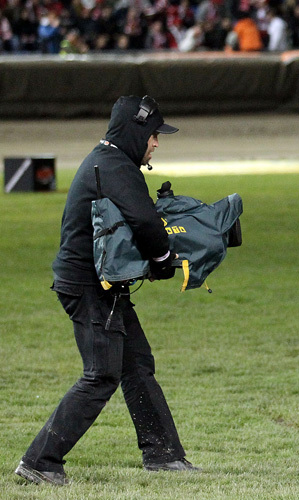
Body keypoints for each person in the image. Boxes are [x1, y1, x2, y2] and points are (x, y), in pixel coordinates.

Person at [15, 95, 199, 486]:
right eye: (153, 135)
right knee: (101, 374)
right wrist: (165, 258)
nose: (156, 143)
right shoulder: (115, 166)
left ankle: (163, 454)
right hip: (88, 286)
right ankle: (40, 461)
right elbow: (146, 223)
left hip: (95, 282)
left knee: (137, 363)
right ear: (135, 133)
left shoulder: (110, 161)